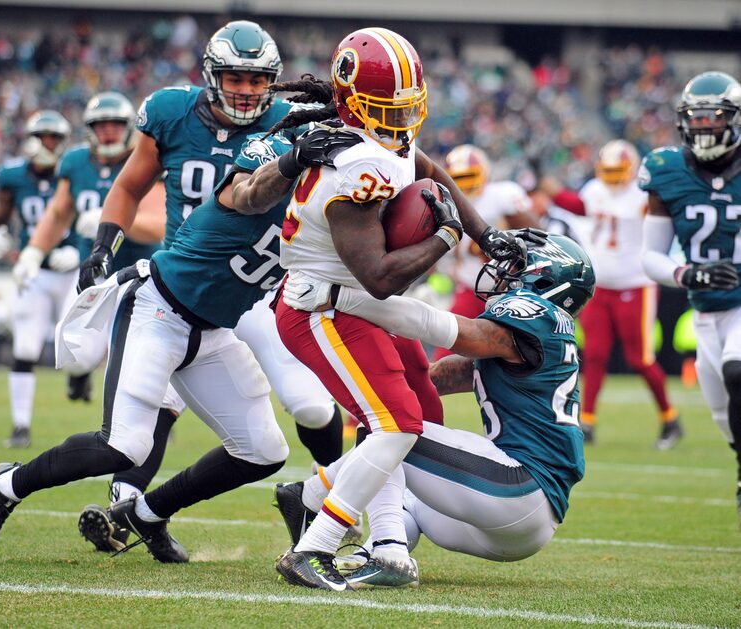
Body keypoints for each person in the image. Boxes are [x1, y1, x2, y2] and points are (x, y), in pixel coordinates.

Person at [0, 128, 358, 564]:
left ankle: (148, 514)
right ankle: (5, 487)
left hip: (214, 332)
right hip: (158, 310)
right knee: (123, 445)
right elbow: (250, 195)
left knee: (264, 453)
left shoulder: (333, 200)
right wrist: (292, 161)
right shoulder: (266, 167)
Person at [249, 27, 531, 591]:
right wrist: (447, 236)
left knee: (420, 411)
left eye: (406, 110)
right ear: (355, 104)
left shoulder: (385, 145)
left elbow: (430, 171)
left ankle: (387, 545)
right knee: (395, 422)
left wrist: (486, 235)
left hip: (354, 304)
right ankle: (316, 545)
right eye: (386, 111)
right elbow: (378, 278)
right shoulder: (354, 164)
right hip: (323, 307)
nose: (400, 124)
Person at [74, 21, 348, 551]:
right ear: (211, 76)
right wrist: (102, 247)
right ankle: (124, 505)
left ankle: (330, 500)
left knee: (313, 408)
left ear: (271, 80)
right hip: (184, 285)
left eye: (255, 78)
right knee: (158, 403)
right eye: (233, 77)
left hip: (260, 289)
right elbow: (129, 186)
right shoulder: (173, 113)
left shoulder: (292, 122)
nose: (245, 89)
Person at [276, 231, 592, 587]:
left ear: (545, 278)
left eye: (518, 264)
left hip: (516, 488)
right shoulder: (539, 338)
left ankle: (325, 506)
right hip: (524, 523)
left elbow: (453, 331)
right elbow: (441, 377)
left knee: (388, 427)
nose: (503, 270)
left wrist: (343, 298)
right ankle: (380, 552)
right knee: (399, 479)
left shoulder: (540, 315)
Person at [12, 92, 178, 551]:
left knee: (156, 402)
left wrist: (107, 223)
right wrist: (32, 252)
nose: (107, 131)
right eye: (100, 124)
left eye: (114, 123)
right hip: (99, 280)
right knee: (77, 356)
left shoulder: (147, 157)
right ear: (89, 128)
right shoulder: (75, 164)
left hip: (147, 284)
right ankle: (127, 501)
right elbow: (55, 214)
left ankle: (124, 503)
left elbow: (156, 223)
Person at [639, 71, 741, 523]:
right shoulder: (667, 170)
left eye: (714, 117)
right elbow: (651, 256)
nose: (704, 126)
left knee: (737, 370)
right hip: (707, 310)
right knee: (721, 408)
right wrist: (689, 273)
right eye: (696, 118)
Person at [570, 140, 680, 448]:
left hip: (636, 284)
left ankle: (669, 417)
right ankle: (587, 422)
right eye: (608, 170)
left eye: (618, 170)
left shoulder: (643, 195)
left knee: (640, 358)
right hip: (600, 286)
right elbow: (577, 209)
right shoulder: (593, 190)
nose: (613, 177)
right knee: (594, 354)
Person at [0, 110, 74, 448]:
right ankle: (21, 425)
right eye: (45, 137)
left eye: (56, 138)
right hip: (33, 271)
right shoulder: (12, 176)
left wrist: (79, 252)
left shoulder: (73, 171)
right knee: (24, 346)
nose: (51, 144)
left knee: (81, 348)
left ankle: (79, 380)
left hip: (70, 271)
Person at [432, 144, 540, 360]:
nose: (464, 183)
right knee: (444, 346)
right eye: (458, 177)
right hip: (470, 286)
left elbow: (535, 231)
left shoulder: (503, 194)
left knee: (522, 352)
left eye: (469, 175)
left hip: (509, 289)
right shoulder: (443, 201)